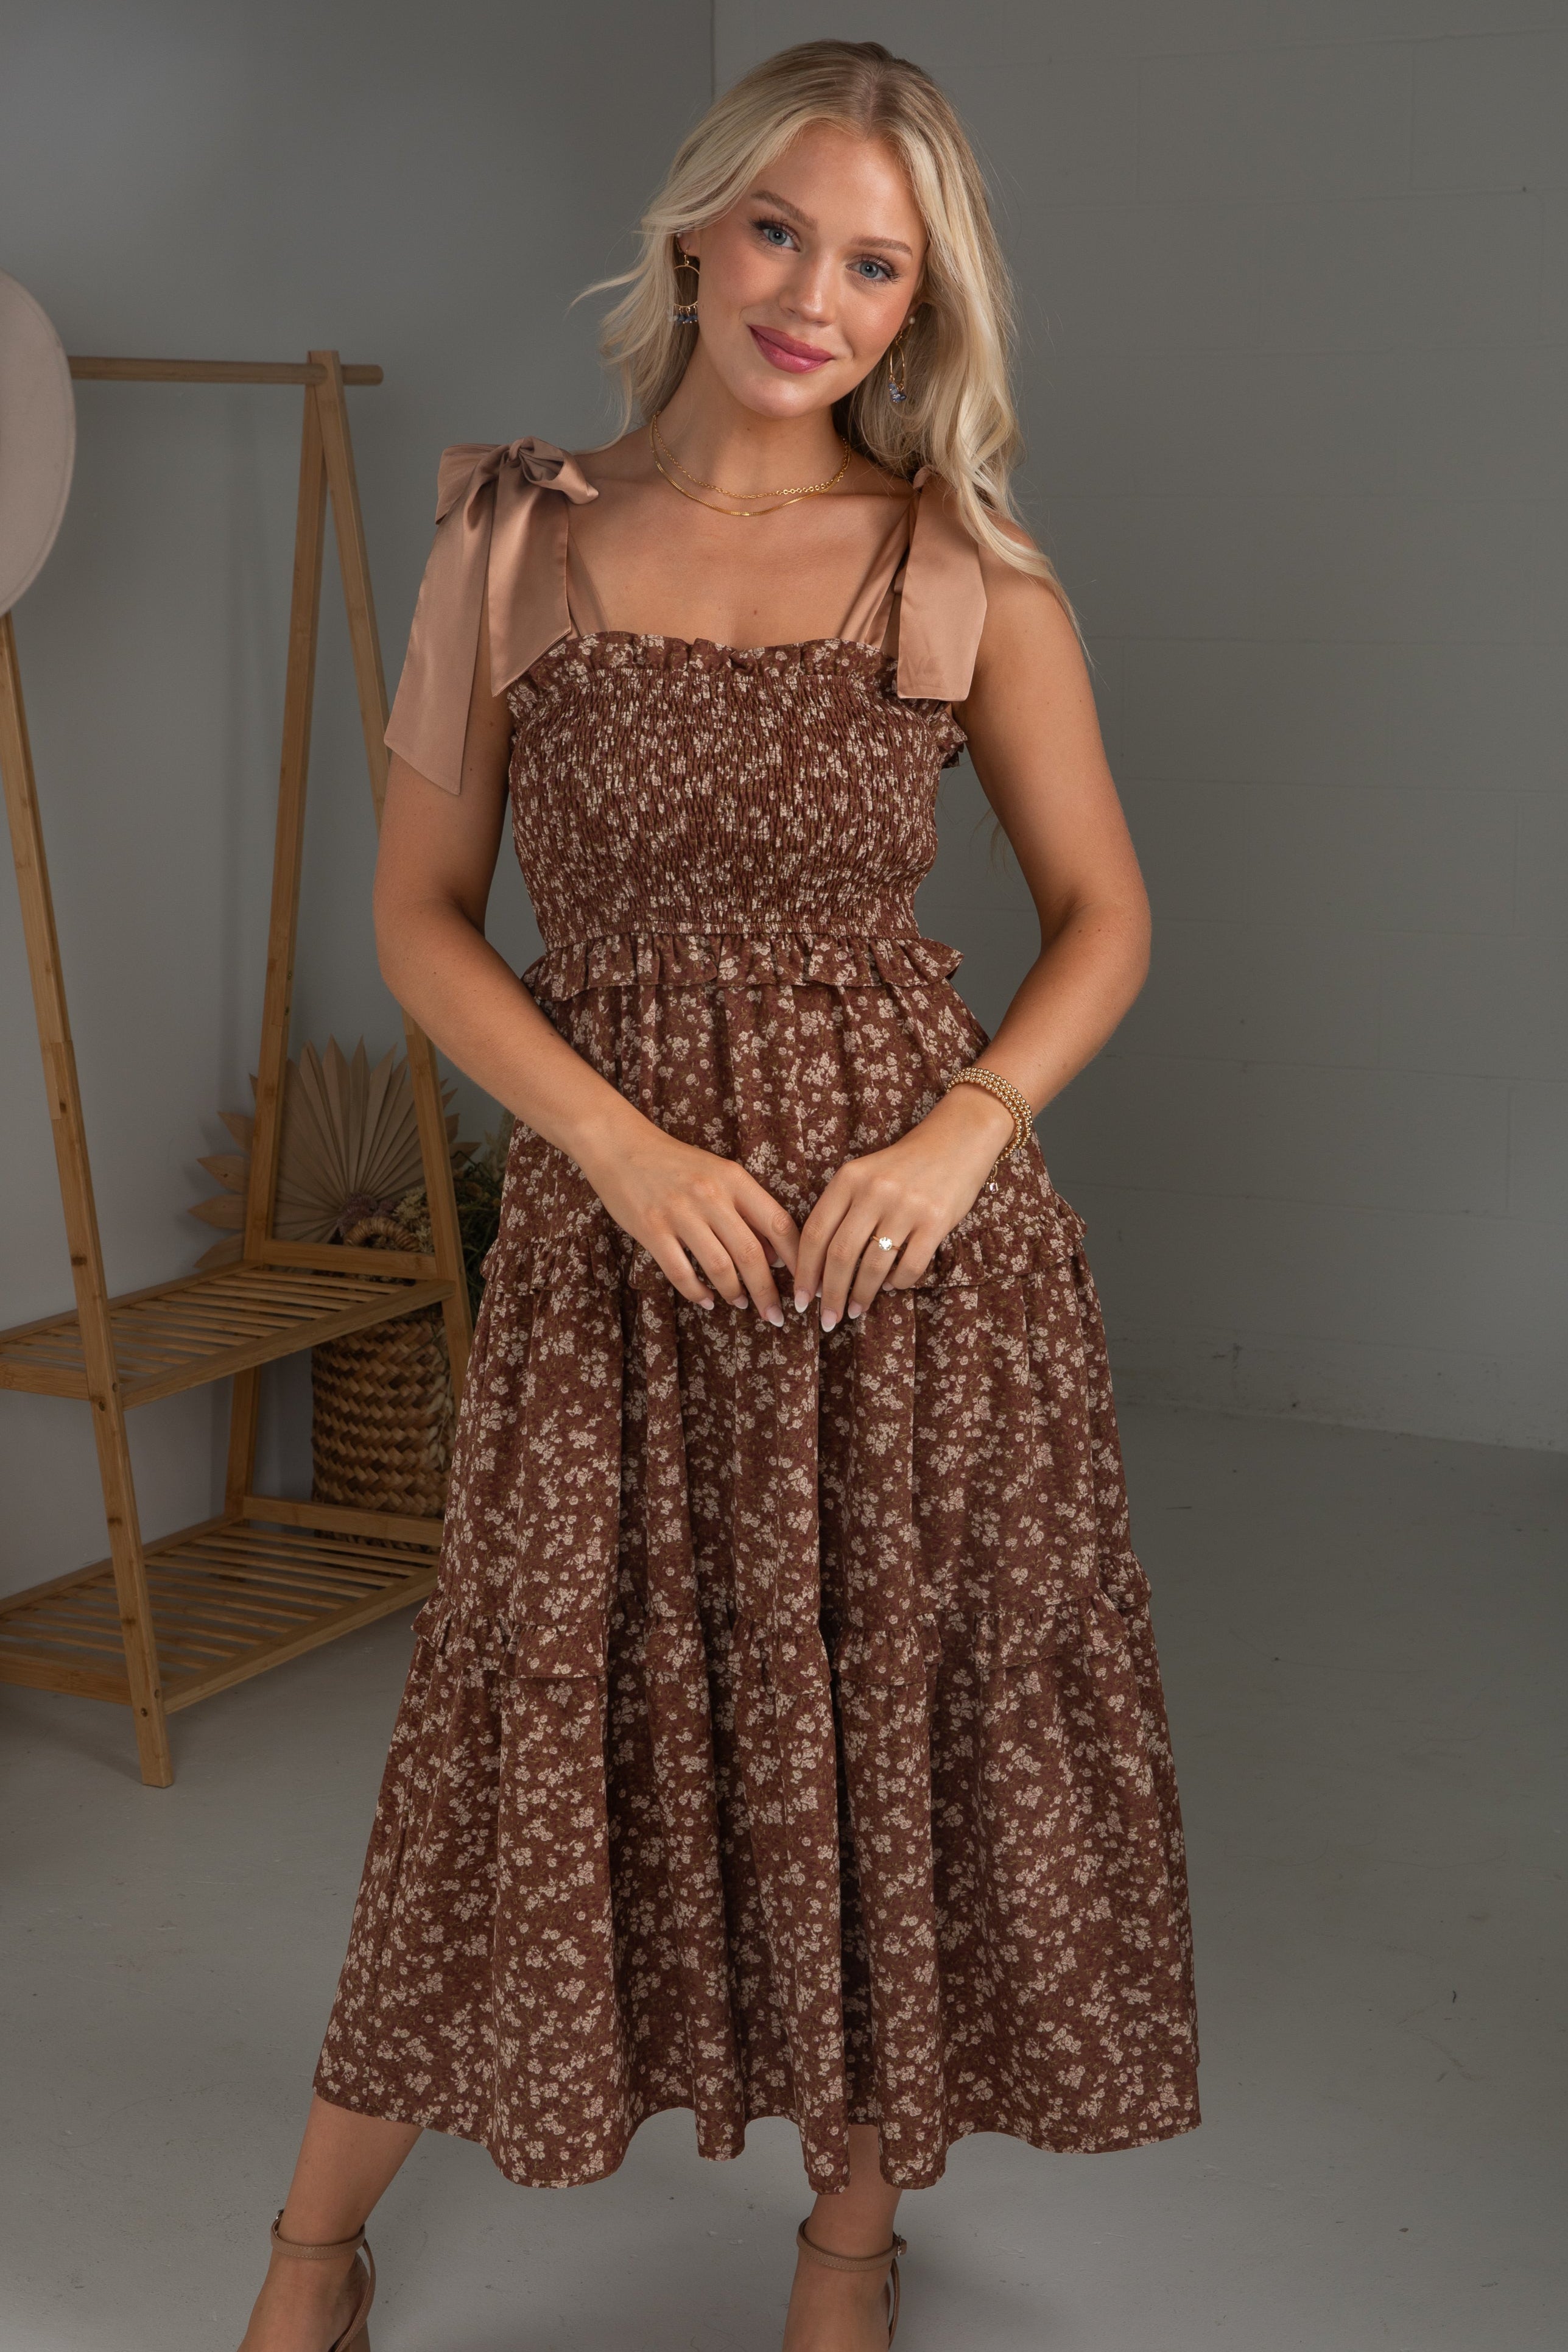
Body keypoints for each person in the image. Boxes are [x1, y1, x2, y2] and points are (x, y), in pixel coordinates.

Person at [237, 38, 1200, 2352]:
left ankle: (847, 2246)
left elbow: (1105, 916)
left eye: (881, 265)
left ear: (920, 309)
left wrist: (962, 1136)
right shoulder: (515, 537)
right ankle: (314, 2243)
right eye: (785, 232)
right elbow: (421, 917)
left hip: (900, 1251)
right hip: (621, 1228)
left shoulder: (956, 562)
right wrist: (620, 1145)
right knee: (519, 1720)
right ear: (695, 231)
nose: (819, 297)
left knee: (885, 1715)